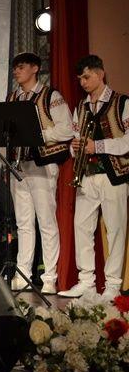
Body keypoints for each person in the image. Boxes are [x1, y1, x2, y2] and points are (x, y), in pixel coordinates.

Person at [58, 55, 129, 302]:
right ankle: (86, 282)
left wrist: (96, 146)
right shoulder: (81, 106)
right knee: (82, 228)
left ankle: (113, 285)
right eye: (80, 79)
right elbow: (75, 141)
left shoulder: (122, 102)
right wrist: (75, 147)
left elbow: (127, 142)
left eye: (87, 77)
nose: (83, 83)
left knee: (115, 230)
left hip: (114, 175)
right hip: (87, 174)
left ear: (101, 74)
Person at [7, 52, 73, 294]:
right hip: (19, 165)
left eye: (21, 67)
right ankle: (23, 274)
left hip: (42, 164)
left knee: (46, 222)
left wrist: (37, 134)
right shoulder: (13, 97)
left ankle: (49, 277)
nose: (16, 71)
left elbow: (66, 130)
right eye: (15, 68)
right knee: (23, 223)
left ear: (35, 69)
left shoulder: (50, 96)